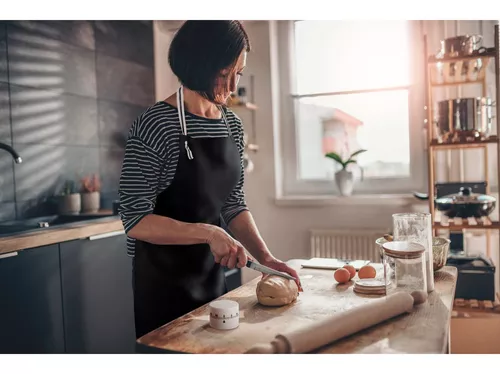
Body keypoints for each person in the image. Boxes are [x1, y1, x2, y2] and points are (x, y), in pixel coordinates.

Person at [118, 20, 302, 339]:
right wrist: (208, 232)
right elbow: (134, 218)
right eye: (223, 74)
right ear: (197, 66)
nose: (232, 87)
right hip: (162, 287)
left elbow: (233, 205)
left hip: (214, 282)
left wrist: (266, 257)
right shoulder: (154, 125)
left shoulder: (231, 125)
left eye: (239, 73)